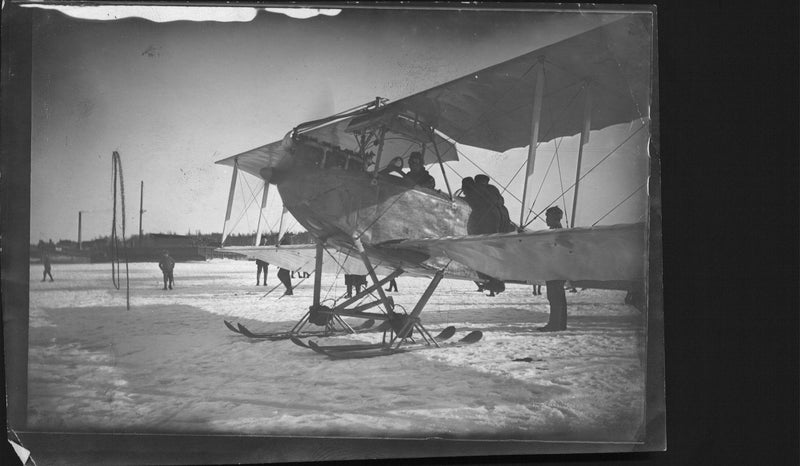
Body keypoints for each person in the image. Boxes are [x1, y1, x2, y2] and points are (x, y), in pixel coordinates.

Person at [539, 206, 568, 332]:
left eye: (548, 216)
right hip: (559, 270)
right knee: (559, 297)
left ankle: (554, 324)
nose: (546, 219)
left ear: (554, 217)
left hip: (555, 270)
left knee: (554, 297)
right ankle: (560, 324)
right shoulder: (560, 231)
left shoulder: (556, 232)